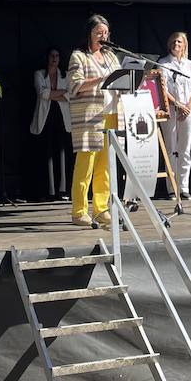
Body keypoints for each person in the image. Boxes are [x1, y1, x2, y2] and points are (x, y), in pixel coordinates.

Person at [66, 14, 120, 228]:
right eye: (99, 32)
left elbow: (119, 78)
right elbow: (74, 85)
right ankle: (79, 212)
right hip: (89, 117)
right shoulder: (78, 56)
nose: (103, 36)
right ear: (89, 33)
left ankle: (101, 208)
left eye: (106, 33)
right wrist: (102, 79)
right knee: (85, 165)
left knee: (105, 166)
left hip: (110, 114)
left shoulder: (111, 56)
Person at [158, 31, 191, 200]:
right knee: (171, 149)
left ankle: (184, 187)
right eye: (174, 42)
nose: (176, 44)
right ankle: (172, 188)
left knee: (185, 150)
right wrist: (177, 105)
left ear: (184, 45)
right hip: (171, 110)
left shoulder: (190, 65)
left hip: (188, 112)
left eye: (179, 42)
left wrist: (188, 107)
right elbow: (162, 88)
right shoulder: (163, 63)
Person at [29, 47, 72, 200]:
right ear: (47, 57)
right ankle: (47, 191)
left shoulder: (65, 75)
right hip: (45, 119)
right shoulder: (39, 74)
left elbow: (69, 95)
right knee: (45, 153)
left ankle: (62, 190)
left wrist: (52, 93)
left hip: (61, 118)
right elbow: (42, 94)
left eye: (57, 55)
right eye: (52, 55)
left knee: (61, 154)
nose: (54, 58)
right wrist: (60, 93)